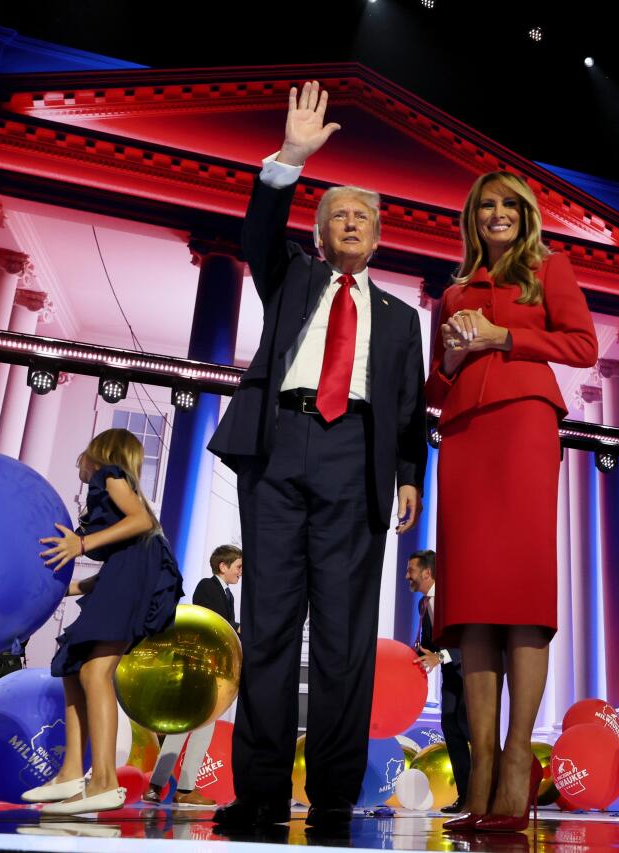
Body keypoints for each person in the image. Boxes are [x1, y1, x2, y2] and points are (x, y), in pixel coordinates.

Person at [206, 81, 427, 831]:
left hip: (356, 456)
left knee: (344, 635)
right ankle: (260, 793)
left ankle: (334, 793)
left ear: (379, 234)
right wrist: (289, 159)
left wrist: (407, 477)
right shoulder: (294, 275)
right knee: (269, 623)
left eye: (363, 215)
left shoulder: (400, 317)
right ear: (322, 232)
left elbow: (408, 411)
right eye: (338, 215)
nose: (352, 222)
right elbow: (258, 239)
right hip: (279, 446)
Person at [427, 170, 597, 833]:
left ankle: (519, 761)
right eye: (485, 206)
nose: (496, 213)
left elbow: (584, 346)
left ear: (525, 216)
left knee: (522, 599)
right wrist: (447, 354)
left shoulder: (550, 269)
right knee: (469, 606)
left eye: (507, 205)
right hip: (465, 437)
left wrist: (504, 338)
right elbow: (435, 388)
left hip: (524, 427)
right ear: (472, 219)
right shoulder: (452, 292)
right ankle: (482, 769)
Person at [26, 428, 184, 814]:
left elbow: (142, 522)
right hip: (130, 572)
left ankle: (103, 781)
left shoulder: (108, 474)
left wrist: (80, 544)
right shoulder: (112, 487)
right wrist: (75, 586)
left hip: (136, 571)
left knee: (95, 674)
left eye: (82, 453)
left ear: (98, 453)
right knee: (73, 665)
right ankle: (69, 775)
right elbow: (123, 560)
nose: (78, 461)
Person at [145, 544, 243, 808]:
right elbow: (212, 623)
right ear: (223, 566)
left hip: (212, 673)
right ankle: (159, 785)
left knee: (202, 730)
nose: (240, 573)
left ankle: (183, 789)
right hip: (198, 671)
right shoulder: (207, 586)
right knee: (185, 728)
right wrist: (239, 627)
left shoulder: (229, 595)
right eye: (238, 567)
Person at [404, 549, 469, 814]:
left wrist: (439, 657)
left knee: (476, 733)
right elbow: (429, 647)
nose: (407, 575)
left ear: (427, 572)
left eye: (411, 570)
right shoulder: (423, 605)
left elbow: (468, 638)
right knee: (452, 729)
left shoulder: (452, 597)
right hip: (452, 676)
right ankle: (467, 796)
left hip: (472, 674)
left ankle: (493, 794)